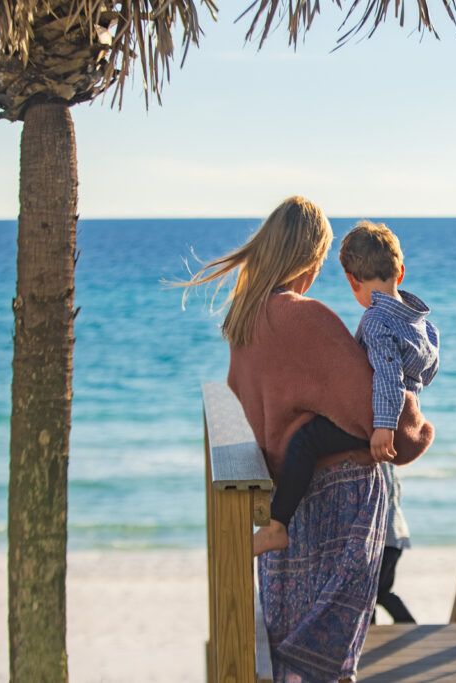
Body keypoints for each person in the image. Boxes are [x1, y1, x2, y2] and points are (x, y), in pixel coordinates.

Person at [184, 197, 434, 683]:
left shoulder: (244, 321)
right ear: (313, 257)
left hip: (285, 502)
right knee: (330, 659)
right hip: (336, 509)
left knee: (288, 650)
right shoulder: (308, 318)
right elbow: (377, 413)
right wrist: (417, 425)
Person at [252, 220, 439, 556]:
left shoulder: (375, 320)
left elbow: (387, 375)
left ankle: (277, 524)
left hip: (383, 420)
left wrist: (382, 425)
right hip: (402, 417)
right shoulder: (421, 322)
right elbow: (427, 371)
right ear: (400, 273)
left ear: (353, 282)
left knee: (305, 440)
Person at [372, 461, 416, 624]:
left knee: (374, 593)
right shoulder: (388, 467)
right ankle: (406, 624)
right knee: (379, 591)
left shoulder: (380, 466)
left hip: (387, 538)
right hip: (395, 536)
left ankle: (408, 624)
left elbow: (385, 495)